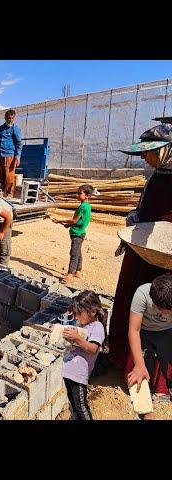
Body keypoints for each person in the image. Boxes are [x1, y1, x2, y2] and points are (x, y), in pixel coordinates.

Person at [108, 122, 172, 399]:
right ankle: (123, 360)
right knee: (129, 304)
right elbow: (146, 207)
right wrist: (135, 217)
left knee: (154, 315)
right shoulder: (158, 175)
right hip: (141, 253)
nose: (145, 158)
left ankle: (152, 378)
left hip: (162, 260)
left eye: (150, 152)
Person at [126, 273, 172, 419]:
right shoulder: (142, 294)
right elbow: (134, 330)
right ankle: (146, 410)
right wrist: (139, 365)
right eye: (160, 308)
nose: (164, 313)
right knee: (142, 370)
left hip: (167, 331)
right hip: (145, 331)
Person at [61, 290, 107, 420]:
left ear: (92, 312)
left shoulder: (97, 326)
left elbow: (93, 348)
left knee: (81, 406)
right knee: (73, 403)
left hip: (79, 375)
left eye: (79, 314)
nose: (76, 317)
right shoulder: (84, 325)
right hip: (69, 372)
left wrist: (77, 339)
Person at [52, 184, 97, 283]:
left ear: (87, 196)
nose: (77, 195)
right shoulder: (87, 206)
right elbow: (80, 221)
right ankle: (78, 271)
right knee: (78, 252)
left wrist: (60, 221)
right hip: (79, 232)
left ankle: (70, 274)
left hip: (77, 234)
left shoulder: (83, 207)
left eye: (79, 193)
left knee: (73, 253)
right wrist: (67, 225)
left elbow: (74, 221)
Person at [0, 109, 23, 198]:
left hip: (9, 155)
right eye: (8, 118)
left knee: (9, 176)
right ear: (5, 118)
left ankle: (9, 193)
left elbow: (19, 143)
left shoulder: (15, 129)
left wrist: (18, 156)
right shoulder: (0, 128)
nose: (10, 120)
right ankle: (0, 192)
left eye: (12, 118)